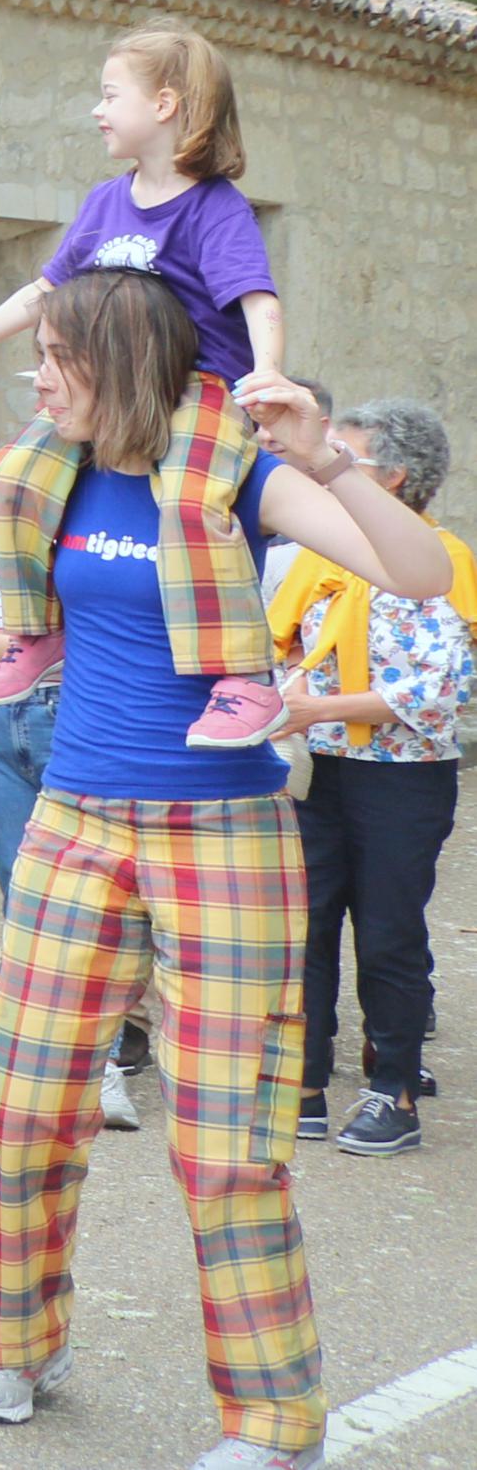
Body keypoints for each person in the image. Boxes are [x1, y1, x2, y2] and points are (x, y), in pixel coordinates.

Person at [0, 273, 454, 1470]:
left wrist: (328, 458)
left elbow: (416, 574)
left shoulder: (236, 471)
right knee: (20, 1104)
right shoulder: (44, 468)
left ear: (119, 362)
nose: (35, 377)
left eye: (54, 357)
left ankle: (273, 1422)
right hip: (74, 820)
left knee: (226, 1139)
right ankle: (15, 1347)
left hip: (220, 831)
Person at [0, 27, 291, 746]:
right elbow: (42, 292)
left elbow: (256, 296)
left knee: (191, 503)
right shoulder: (103, 202)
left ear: (165, 103)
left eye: (110, 94)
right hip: (109, 391)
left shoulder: (215, 206)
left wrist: (265, 373)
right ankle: (39, 633)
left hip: (195, 389)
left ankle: (244, 676)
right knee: (12, 480)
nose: (97, 109)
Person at [272, 397, 468, 1159]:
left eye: (341, 457)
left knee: (387, 932)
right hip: (318, 768)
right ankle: (303, 1079)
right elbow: (289, 643)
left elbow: (436, 688)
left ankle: (394, 1087)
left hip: (400, 778)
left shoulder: (435, 559)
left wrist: (316, 705)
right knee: (306, 923)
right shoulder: (325, 554)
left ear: (392, 477)